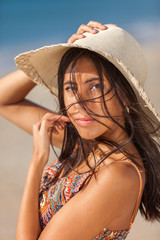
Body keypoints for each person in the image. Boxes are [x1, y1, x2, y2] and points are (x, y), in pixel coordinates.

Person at [0, 21, 160, 240]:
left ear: (125, 94)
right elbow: (4, 100)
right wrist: (67, 51)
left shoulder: (118, 175)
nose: (78, 104)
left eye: (95, 86)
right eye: (70, 88)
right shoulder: (87, 142)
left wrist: (37, 161)